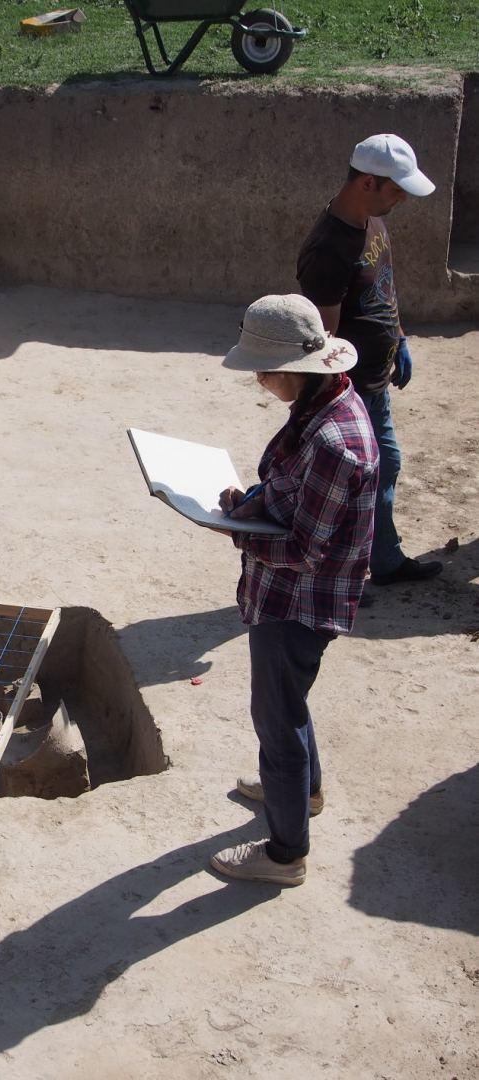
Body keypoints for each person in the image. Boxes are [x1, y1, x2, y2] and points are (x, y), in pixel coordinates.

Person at [210, 295, 378, 887]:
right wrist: (250, 505)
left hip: (299, 602)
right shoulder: (324, 403)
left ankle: (285, 855)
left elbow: (306, 551)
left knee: (276, 722)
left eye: (263, 369)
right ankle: (304, 792)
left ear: (298, 370)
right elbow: (291, 491)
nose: (258, 379)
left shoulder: (335, 443)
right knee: (290, 702)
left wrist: (234, 533)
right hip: (294, 596)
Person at [296, 132, 441, 587]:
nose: (401, 198)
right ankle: (354, 567)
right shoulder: (328, 249)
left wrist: (398, 339)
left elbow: (384, 288)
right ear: (366, 183)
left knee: (384, 465)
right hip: (352, 388)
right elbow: (325, 338)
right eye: (396, 189)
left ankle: (380, 559)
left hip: (376, 378)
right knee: (358, 474)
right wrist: (336, 398)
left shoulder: (372, 221)